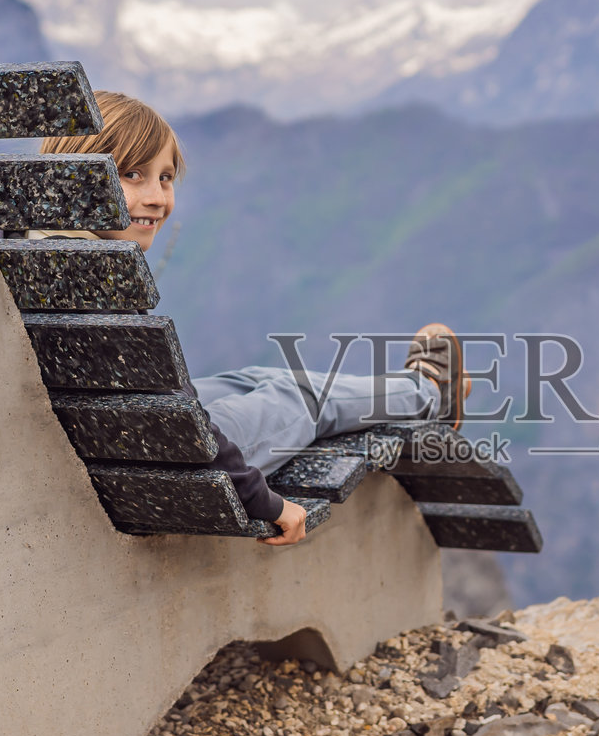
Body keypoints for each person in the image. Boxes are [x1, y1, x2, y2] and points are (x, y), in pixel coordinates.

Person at [32, 91, 468, 546]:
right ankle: (432, 392)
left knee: (252, 380)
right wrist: (269, 503)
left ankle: (417, 385)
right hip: (158, 471)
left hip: (119, 447)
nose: (157, 198)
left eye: (165, 178)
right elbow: (192, 442)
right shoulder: (100, 281)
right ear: (74, 175)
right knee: (296, 397)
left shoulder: (33, 249)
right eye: (132, 174)